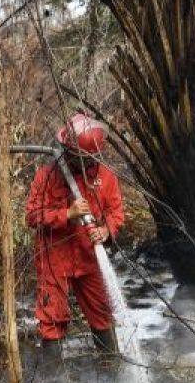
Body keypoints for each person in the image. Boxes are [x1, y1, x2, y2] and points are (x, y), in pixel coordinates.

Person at [26, 114, 124, 368]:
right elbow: (32, 216)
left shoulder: (106, 177)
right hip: (54, 256)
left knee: (101, 311)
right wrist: (66, 215)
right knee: (52, 315)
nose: (67, 156)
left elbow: (116, 213)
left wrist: (106, 231)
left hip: (89, 257)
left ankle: (110, 368)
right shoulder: (47, 176)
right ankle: (53, 379)